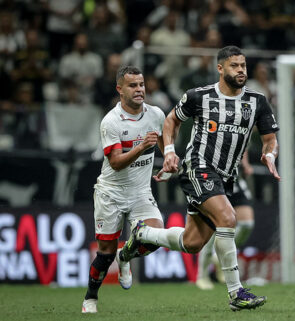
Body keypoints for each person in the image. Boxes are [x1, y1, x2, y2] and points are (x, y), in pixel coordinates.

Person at [123, 46, 280, 311]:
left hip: (226, 177)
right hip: (199, 167)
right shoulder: (199, 96)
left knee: (192, 243)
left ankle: (143, 233)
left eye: (243, 66)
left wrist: (270, 155)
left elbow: (269, 139)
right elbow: (171, 121)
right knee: (229, 218)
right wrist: (170, 151)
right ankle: (236, 292)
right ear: (220, 68)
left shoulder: (257, 102)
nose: (241, 70)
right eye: (234, 66)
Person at [82, 66, 167, 313]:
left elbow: (163, 144)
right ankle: (90, 298)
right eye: (133, 85)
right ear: (120, 89)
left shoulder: (156, 115)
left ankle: (126, 257)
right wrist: (141, 147)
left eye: (141, 84)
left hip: (140, 191)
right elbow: (116, 163)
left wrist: (170, 161)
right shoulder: (111, 121)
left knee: (155, 238)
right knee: (105, 254)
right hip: (111, 193)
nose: (139, 89)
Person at [196, 152, 257, 290]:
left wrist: (245, 164)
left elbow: (243, 143)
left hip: (234, 178)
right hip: (212, 178)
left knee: (247, 223)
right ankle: (202, 276)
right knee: (211, 228)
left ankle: (219, 254)